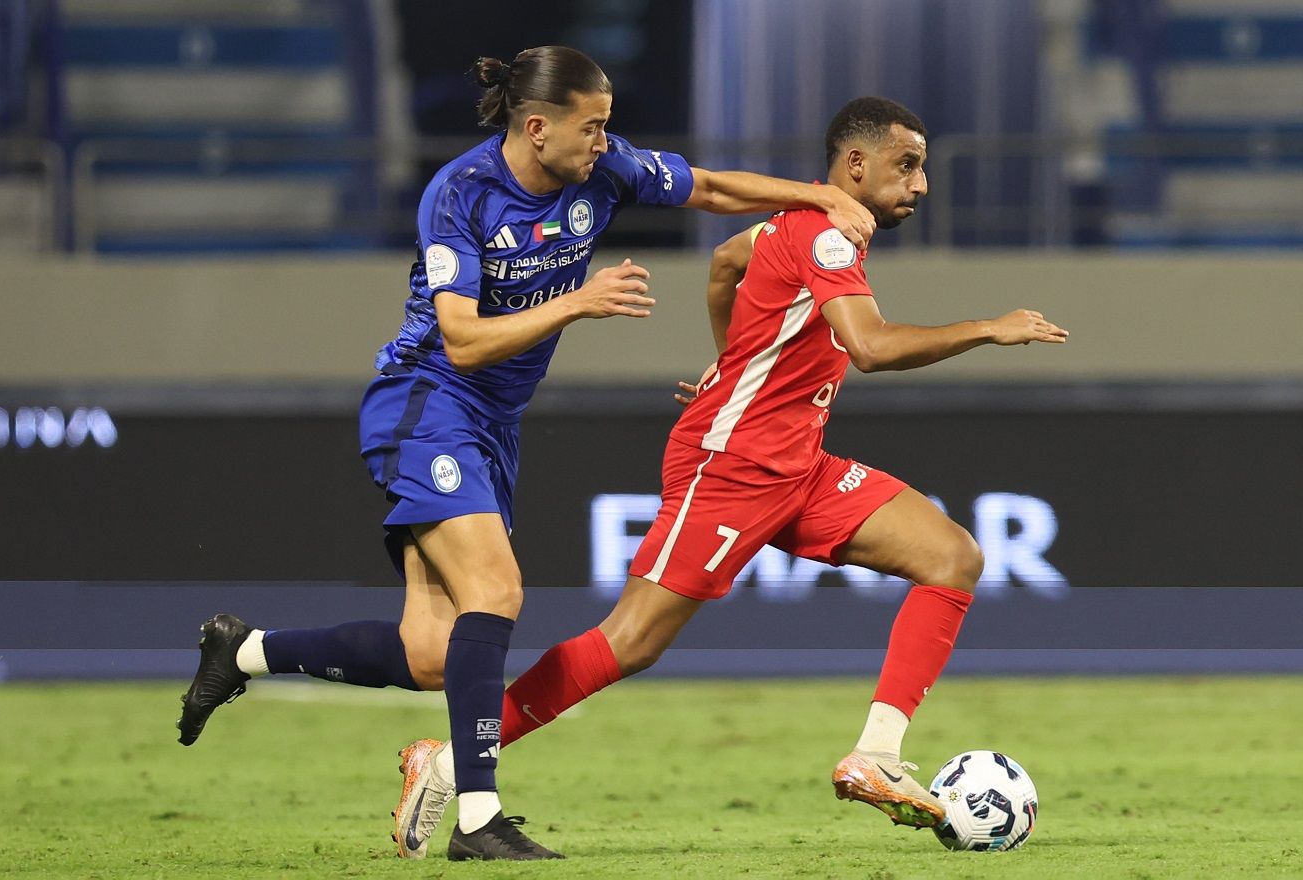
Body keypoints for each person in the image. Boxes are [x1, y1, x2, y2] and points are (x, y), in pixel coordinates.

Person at [174, 45, 877, 863]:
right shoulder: (461, 195)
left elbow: (712, 188)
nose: (604, 142)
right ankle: (478, 819)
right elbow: (464, 340)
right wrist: (580, 301)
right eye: (592, 127)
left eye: (608, 127)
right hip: (426, 401)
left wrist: (820, 195)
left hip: (492, 425)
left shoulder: (602, 171)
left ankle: (243, 651)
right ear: (537, 127)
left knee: (433, 654)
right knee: (498, 590)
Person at [392, 95, 1069, 848]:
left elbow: (726, 263)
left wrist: (731, 361)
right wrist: (989, 327)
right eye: (906, 165)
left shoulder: (800, 228)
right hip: (732, 465)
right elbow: (870, 348)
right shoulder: (826, 236)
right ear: (855, 165)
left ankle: (877, 755)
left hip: (799, 465)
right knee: (631, 642)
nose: (920, 184)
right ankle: (450, 762)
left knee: (952, 557)